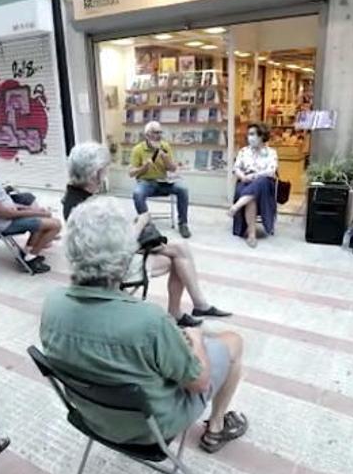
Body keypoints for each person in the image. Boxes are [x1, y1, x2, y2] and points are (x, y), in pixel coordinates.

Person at [41, 197, 247, 453]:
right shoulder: (150, 321)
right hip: (151, 429)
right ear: (125, 254)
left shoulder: (52, 305)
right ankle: (215, 427)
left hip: (93, 418)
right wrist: (195, 340)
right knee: (233, 342)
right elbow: (200, 383)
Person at [63, 142, 230, 327]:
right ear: (95, 173)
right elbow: (120, 247)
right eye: (104, 170)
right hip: (112, 269)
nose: (105, 175)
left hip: (104, 261)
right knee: (176, 258)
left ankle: (195, 306)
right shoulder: (86, 207)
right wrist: (141, 223)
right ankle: (185, 310)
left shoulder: (74, 198)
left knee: (180, 248)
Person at [0, 136, 61, 274]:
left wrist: (29, 208)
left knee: (43, 218)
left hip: (5, 217)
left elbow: (3, 201)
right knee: (55, 225)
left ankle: (26, 255)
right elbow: (4, 213)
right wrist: (37, 213)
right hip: (4, 223)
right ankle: (30, 259)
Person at [130, 121, 192, 238]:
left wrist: (165, 157)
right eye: (155, 132)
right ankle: (146, 226)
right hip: (146, 183)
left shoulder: (165, 146)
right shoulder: (138, 149)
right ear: (147, 135)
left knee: (183, 189)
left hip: (164, 182)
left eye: (160, 132)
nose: (159, 135)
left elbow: (173, 168)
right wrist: (144, 167)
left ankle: (183, 223)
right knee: (137, 193)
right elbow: (131, 173)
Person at [228, 123, 279, 248]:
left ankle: (237, 206)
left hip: (264, 185)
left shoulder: (271, 152)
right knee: (251, 197)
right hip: (245, 182)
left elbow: (271, 171)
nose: (249, 137)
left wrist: (254, 176)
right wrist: (243, 177)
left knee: (260, 182)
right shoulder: (244, 151)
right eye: (248, 134)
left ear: (261, 136)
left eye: (252, 134)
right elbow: (236, 168)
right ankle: (252, 235)